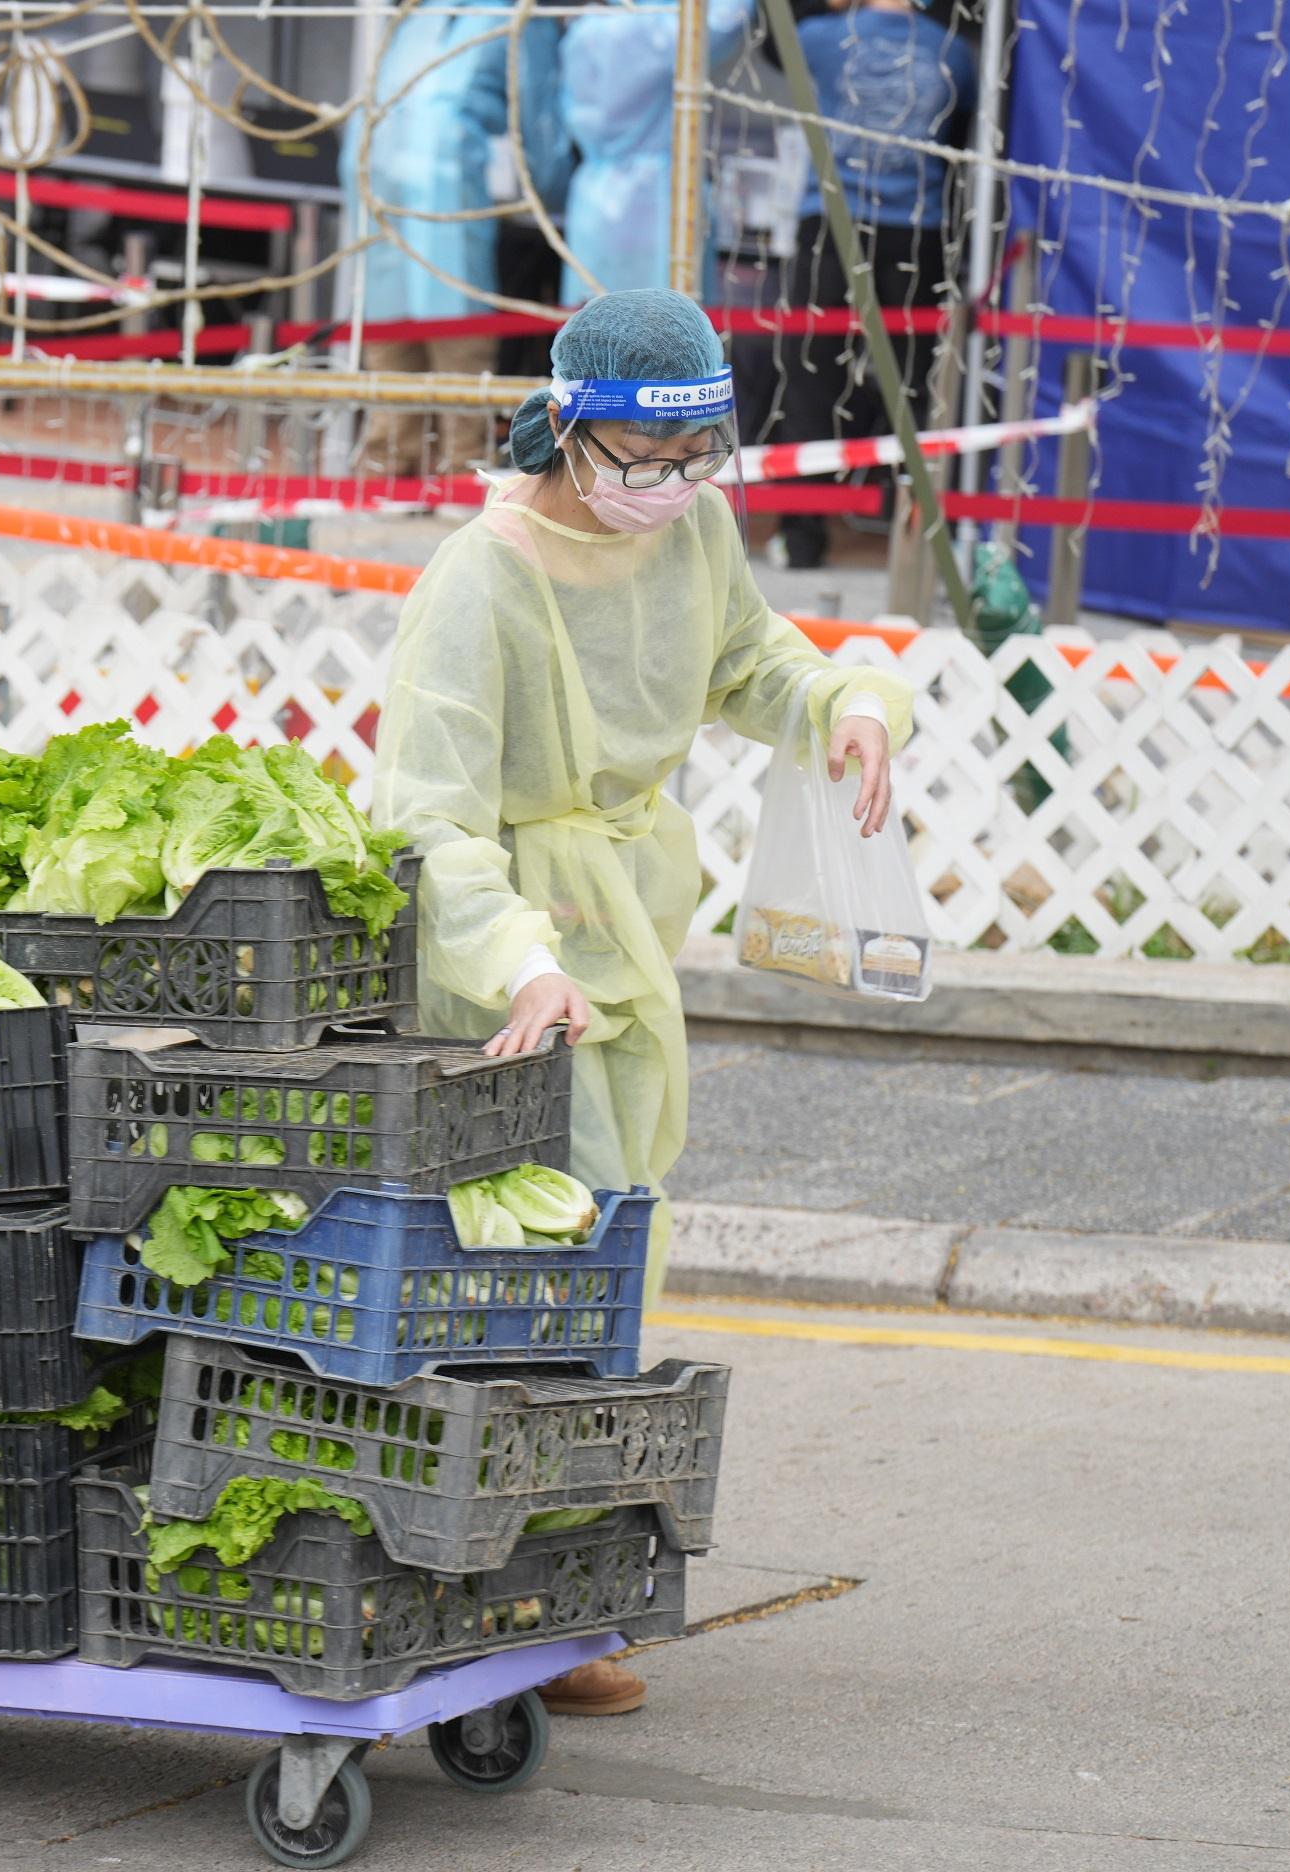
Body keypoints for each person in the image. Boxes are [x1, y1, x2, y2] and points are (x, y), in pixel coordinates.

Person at [373, 289, 910, 1717]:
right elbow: (424, 820)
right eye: (633, 459)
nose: (665, 490)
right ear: (565, 426)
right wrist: (517, 962)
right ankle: (516, 1597)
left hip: (623, 938)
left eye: (694, 460)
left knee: (607, 1256)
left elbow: (749, 661)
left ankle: (555, 1592)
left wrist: (848, 701)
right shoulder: (480, 581)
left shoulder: (694, 533)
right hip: (509, 967)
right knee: (532, 1277)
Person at [770, 0, 979, 568]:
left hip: (833, 224)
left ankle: (803, 535)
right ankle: (906, 528)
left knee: (811, 374)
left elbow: (767, 32)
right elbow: (962, 143)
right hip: (917, 230)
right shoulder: (953, 51)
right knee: (913, 382)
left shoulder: (820, 36)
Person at [340, 0, 571, 474]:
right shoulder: (436, 16)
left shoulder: (488, 16)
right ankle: (418, 464)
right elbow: (539, 121)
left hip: (401, 185)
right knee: (417, 334)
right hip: (404, 189)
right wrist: (553, 188)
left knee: (440, 333)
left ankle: (436, 467)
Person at [557, 0, 754, 301]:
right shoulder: (650, 32)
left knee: (593, 327)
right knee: (661, 327)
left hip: (591, 203)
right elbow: (725, 20)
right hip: (654, 205)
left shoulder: (581, 30)